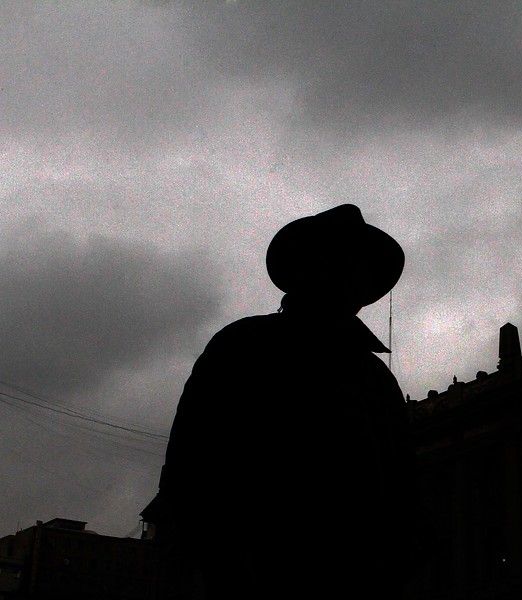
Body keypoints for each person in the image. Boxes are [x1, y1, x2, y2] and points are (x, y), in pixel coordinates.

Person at [154, 204, 426, 598]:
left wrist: (402, 561)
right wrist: (227, 566)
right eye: (337, 260)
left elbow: (404, 483)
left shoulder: (376, 378)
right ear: (307, 269)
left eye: (358, 266)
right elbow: (191, 465)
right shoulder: (245, 346)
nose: (350, 275)